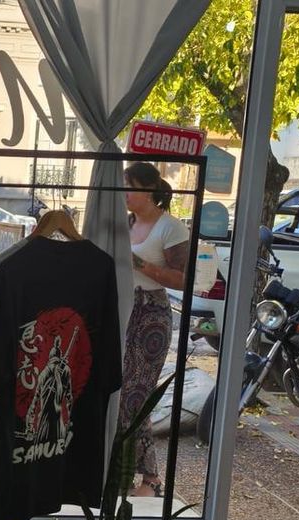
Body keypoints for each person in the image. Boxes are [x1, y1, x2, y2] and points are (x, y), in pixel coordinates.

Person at [119, 161, 189, 497]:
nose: (125, 193)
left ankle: (150, 478)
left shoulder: (170, 228)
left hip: (152, 315)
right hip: (124, 310)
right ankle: (122, 473)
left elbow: (182, 278)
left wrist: (138, 262)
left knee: (136, 395)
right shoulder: (125, 222)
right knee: (119, 392)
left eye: (130, 187)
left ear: (148, 190)